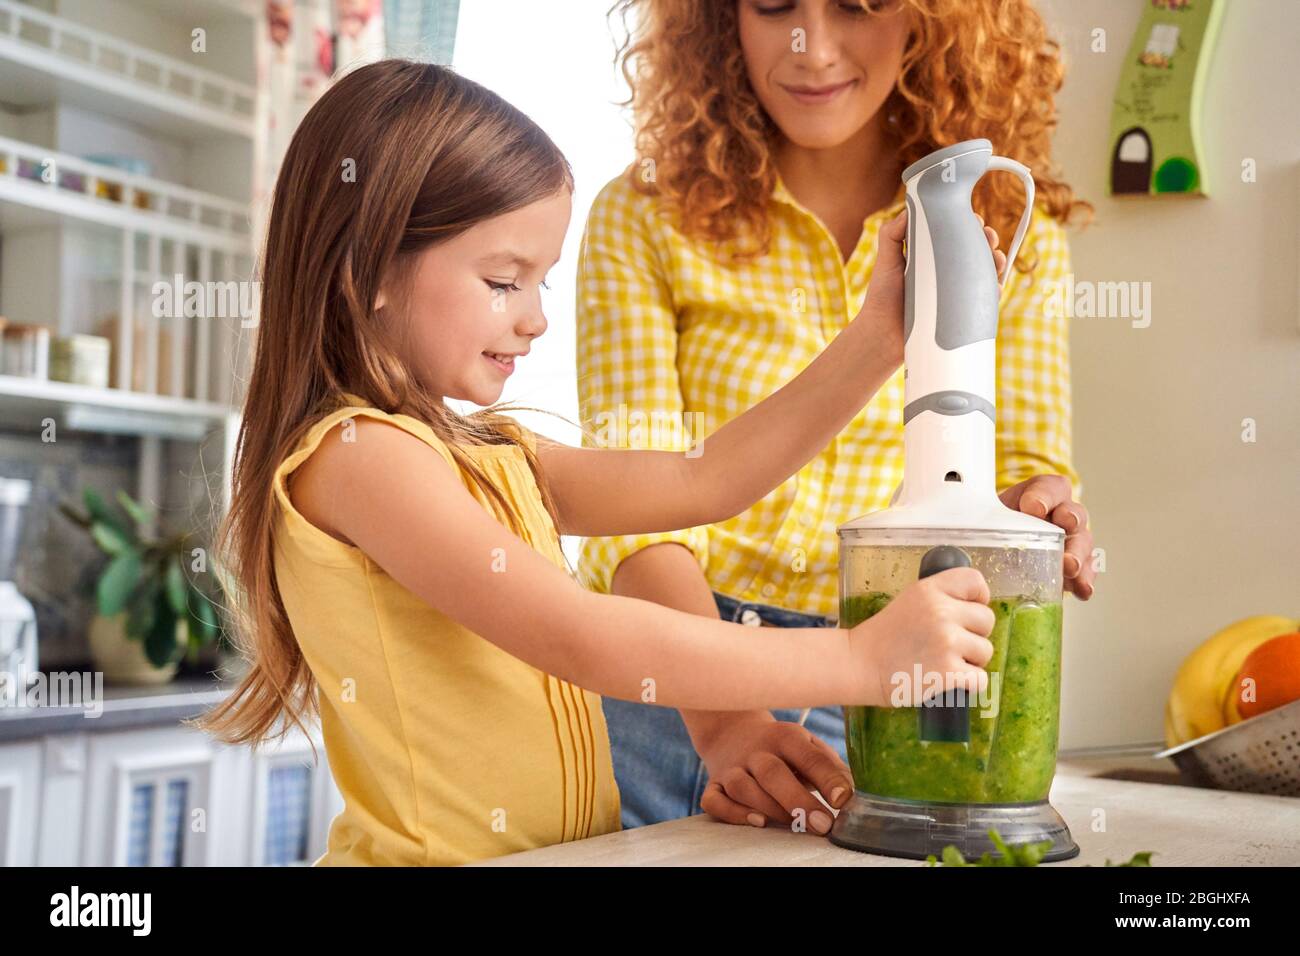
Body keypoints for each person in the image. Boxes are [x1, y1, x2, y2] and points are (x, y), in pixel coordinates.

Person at [197, 59, 1005, 865]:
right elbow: (582, 635)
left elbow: (707, 479)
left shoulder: (491, 452)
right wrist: (858, 659)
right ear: (369, 267)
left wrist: (878, 339)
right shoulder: (357, 458)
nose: (537, 318)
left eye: (543, 282)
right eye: (504, 280)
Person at [577, 0, 1097, 831]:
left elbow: (1021, 469)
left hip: (879, 684)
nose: (811, 48)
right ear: (720, 20)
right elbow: (630, 514)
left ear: (932, 20)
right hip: (660, 684)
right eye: (773, 5)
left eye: (857, 5)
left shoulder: (1001, 232)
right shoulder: (642, 218)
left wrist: (1039, 513)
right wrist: (725, 718)